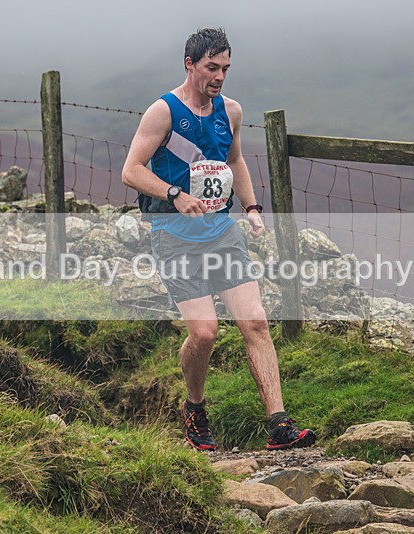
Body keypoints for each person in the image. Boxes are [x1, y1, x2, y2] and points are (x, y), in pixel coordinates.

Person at [122, 27, 315, 451]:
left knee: (256, 322)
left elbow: (235, 160)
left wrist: (251, 209)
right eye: (212, 67)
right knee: (205, 333)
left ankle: (279, 425)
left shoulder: (231, 111)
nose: (220, 76)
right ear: (189, 64)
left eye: (226, 68)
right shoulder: (163, 112)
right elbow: (131, 170)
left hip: (222, 232)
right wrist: (174, 194)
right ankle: (194, 407)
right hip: (173, 234)